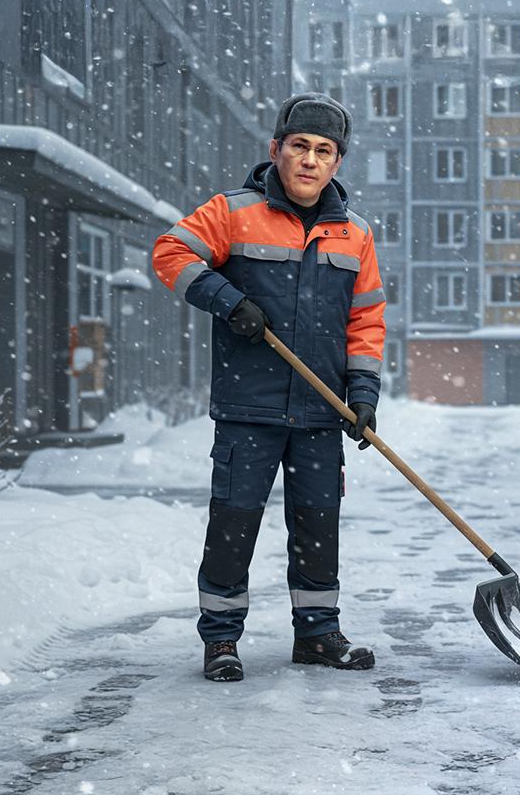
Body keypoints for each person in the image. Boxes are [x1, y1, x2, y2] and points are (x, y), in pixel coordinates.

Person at [152, 93, 386, 682]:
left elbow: (366, 318)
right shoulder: (234, 212)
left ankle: (317, 635)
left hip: (318, 409)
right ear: (276, 150)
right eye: (300, 146)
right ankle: (222, 641)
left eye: (324, 151)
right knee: (234, 524)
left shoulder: (354, 233)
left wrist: (362, 396)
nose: (310, 159)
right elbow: (170, 252)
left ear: (337, 162)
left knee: (317, 524)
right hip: (247, 405)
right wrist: (229, 302)